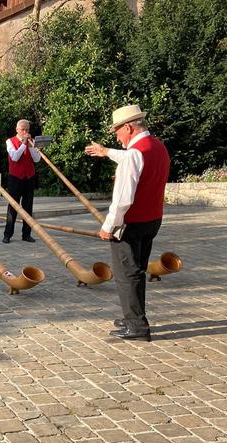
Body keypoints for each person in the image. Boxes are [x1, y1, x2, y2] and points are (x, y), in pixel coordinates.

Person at [85, 104, 170, 342]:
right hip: (152, 220)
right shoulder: (157, 146)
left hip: (131, 223)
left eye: (117, 131)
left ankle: (137, 326)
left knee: (127, 275)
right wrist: (106, 151)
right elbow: (133, 158)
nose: (116, 135)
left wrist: (108, 226)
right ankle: (133, 316)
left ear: (129, 127)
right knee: (138, 271)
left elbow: (122, 200)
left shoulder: (135, 154)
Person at [3, 119, 40, 243]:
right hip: (15, 178)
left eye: (27, 130)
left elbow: (37, 159)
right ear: (17, 129)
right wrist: (24, 144)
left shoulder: (32, 142)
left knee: (28, 207)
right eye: (23, 129)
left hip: (29, 178)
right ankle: (7, 235)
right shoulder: (10, 141)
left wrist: (31, 147)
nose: (25, 132)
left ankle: (26, 234)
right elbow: (14, 157)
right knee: (12, 207)